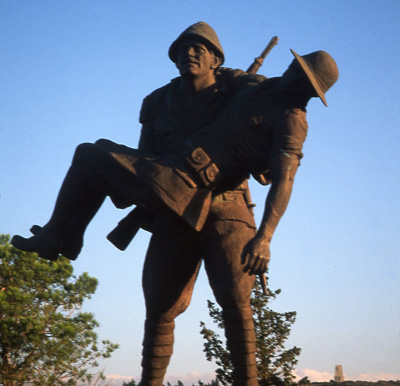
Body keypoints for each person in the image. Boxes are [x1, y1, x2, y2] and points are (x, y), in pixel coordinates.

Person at [11, 22, 338, 386]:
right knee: (160, 307)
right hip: (172, 186)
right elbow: (153, 146)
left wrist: (265, 236)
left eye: (305, 82)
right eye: (297, 70)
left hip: (222, 200)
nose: (294, 79)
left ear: (311, 90)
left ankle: (60, 238)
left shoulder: (292, 118)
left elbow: (285, 179)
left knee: (235, 302)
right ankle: (63, 238)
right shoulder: (245, 84)